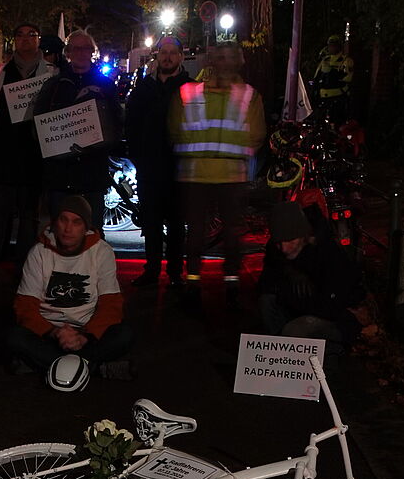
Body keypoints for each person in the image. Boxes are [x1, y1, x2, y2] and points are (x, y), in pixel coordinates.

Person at [169, 42, 266, 306]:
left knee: (199, 233)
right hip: (228, 175)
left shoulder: (188, 93)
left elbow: (176, 132)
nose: (224, 63)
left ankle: (197, 284)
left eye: (228, 58)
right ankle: (226, 285)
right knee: (225, 233)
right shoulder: (248, 95)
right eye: (221, 57)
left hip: (198, 174)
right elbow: (256, 136)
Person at [6, 195, 133, 384]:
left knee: (125, 334)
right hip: (50, 332)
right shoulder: (39, 252)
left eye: (76, 222)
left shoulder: (101, 251)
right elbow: (25, 305)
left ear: (86, 227)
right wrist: (54, 332)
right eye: (63, 220)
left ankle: (47, 365)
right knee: (14, 337)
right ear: (55, 222)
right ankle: (96, 368)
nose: (68, 229)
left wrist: (86, 336)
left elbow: (111, 304)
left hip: (86, 332)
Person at [0, 22, 57, 282]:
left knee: (28, 219)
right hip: (2, 157)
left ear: (38, 41)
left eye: (31, 35)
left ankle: (24, 271)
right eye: (20, 35)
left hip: (33, 159)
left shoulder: (51, 74)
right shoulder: (0, 72)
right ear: (14, 40)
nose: (25, 40)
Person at [32, 30, 123, 223]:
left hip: (92, 175)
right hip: (60, 176)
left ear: (92, 52)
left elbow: (116, 123)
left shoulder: (106, 86)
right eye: (76, 48)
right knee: (60, 234)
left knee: (93, 233)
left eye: (86, 48)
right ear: (68, 52)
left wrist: (100, 142)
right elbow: (39, 126)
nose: (81, 53)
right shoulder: (53, 86)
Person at [124, 36, 192, 288]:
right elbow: (131, 122)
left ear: (180, 57)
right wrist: (136, 154)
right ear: (157, 56)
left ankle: (176, 271)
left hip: (178, 167)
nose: (168, 57)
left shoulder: (190, 87)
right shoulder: (143, 88)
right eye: (164, 52)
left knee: (176, 223)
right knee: (150, 222)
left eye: (173, 53)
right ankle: (151, 269)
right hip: (150, 166)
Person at [257, 201, 365, 354]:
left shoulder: (328, 254)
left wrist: (292, 296)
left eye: (290, 241)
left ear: (304, 236)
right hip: (301, 308)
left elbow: (330, 305)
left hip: (336, 319)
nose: (284, 248)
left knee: (297, 329)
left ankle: (331, 352)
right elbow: (265, 285)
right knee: (266, 303)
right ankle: (279, 357)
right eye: (278, 243)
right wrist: (289, 273)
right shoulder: (278, 253)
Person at [311, 35, 353, 123]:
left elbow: (347, 78)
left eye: (334, 45)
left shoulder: (346, 60)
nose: (332, 48)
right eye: (330, 45)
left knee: (336, 125)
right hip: (323, 99)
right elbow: (317, 77)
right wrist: (314, 91)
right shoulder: (325, 59)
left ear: (339, 46)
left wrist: (332, 74)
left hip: (338, 98)